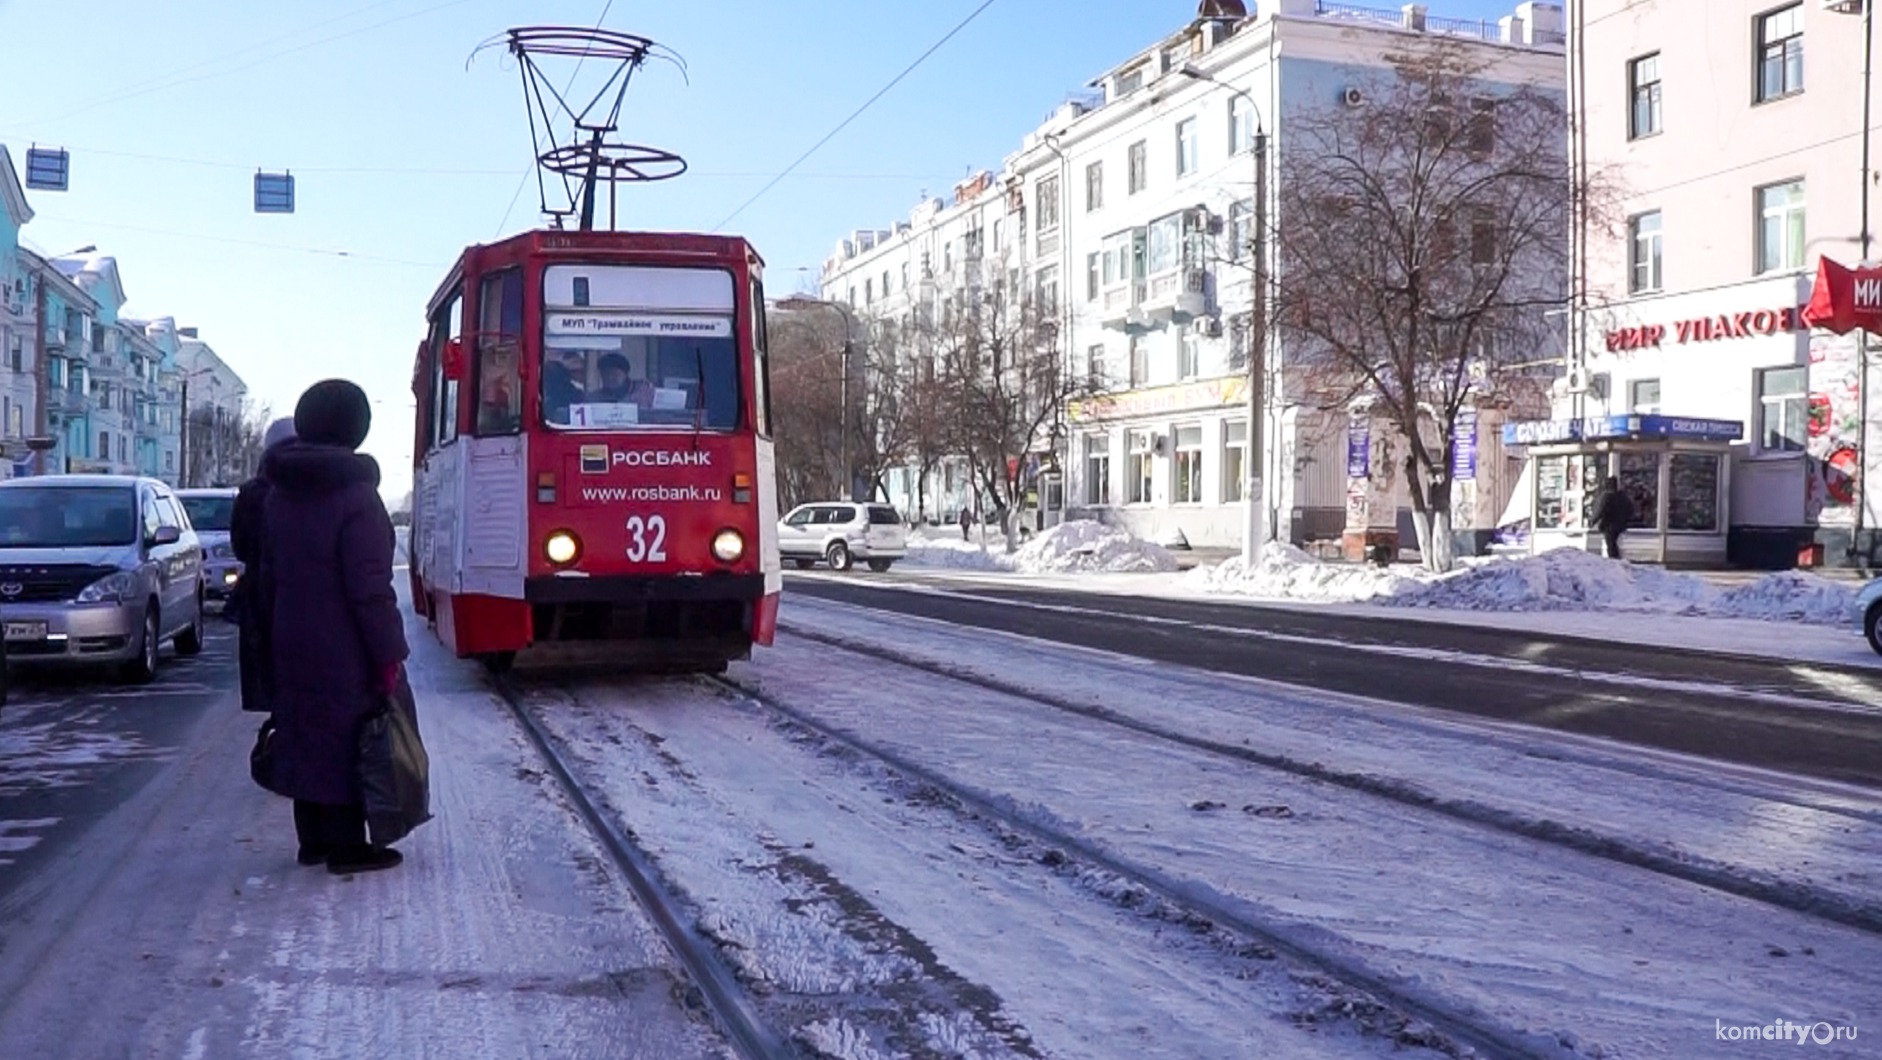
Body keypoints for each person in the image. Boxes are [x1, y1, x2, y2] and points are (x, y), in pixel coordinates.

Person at [260, 380, 410, 874]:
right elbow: (370, 589)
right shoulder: (356, 496)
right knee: (350, 734)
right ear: (356, 429)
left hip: (290, 633)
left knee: (306, 729)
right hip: (343, 641)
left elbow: (268, 574)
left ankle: (314, 841)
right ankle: (348, 847)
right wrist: (388, 653)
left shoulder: (280, 492)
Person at [229, 416, 297, 714]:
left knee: (272, 693)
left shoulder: (252, 493)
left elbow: (241, 548)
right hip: (310, 606)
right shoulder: (316, 487)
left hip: (261, 602)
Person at [1592, 475, 1635, 560]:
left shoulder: (1607, 496)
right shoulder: (1623, 497)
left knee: (1611, 545)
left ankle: (1614, 562)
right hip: (1620, 525)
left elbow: (1600, 510)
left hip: (1609, 525)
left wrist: (1593, 521)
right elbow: (1631, 510)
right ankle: (1616, 560)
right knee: (1614, 544)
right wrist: (1626, 520)